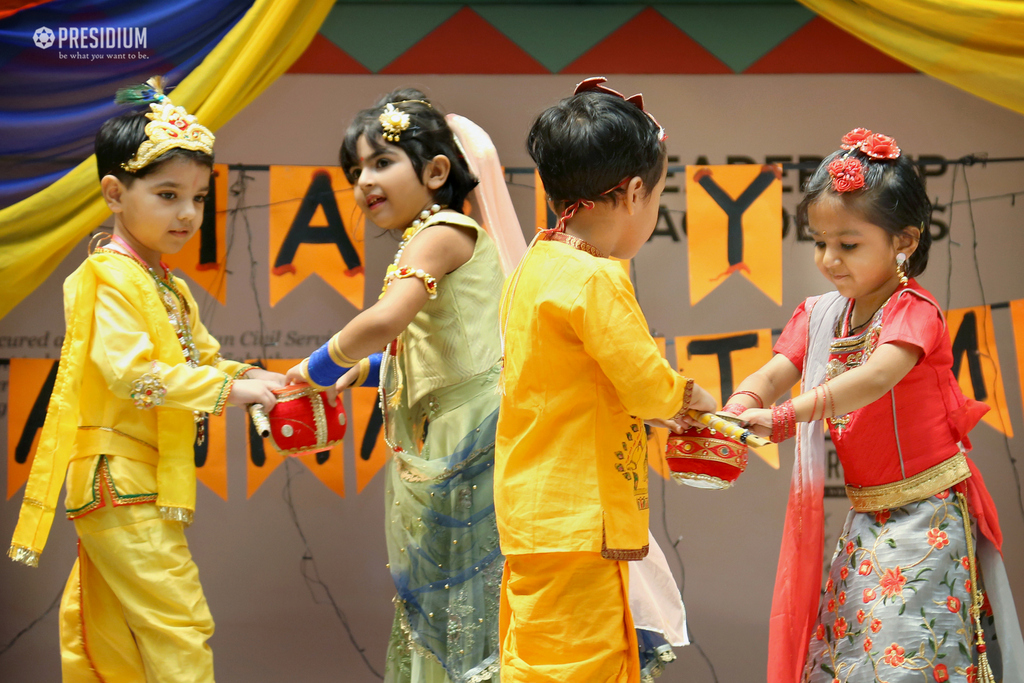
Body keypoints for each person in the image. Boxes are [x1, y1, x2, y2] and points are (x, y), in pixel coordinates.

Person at [7, 77, 283, 682]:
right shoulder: (107, 275)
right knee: (178, 624)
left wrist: (273, 382)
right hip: (119, 477)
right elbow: (136, 379)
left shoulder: (168, 286)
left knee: (115, 641)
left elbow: (204, 363)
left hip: (134, 480)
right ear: (114, 192)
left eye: (198, 198)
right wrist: (236, 390)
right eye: (166, 194)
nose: (188, 213)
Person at [723, 129, 1024, 682]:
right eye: (819, 242)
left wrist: (786, 417)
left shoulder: (914, 310)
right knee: (850, 660)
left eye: (849, 244)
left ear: (903, 241)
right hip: (868, 519)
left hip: (928, 515)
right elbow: (775, 370)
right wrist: (740, 405)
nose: (829, 259)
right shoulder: (821, 315)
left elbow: (877, 376)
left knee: (905, 656)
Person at [494, 78, 716, 683]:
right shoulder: (595, 277)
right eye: (658, 198)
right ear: (635, 190)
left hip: (534, 516)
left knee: (535, 664)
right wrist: (692, 398)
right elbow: (646, 387)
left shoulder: (533, 266)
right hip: (579, 519)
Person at [285, 89, 505, 683]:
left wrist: (317, 369)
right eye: (355, 170)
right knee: (452, 599)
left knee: (472, 602)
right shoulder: (428, 237)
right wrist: (364, 371)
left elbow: (385, 321)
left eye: (381, 162)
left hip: (474, 433)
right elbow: (429, 353)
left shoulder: (445, 230)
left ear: (437, 172)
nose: (363, 182)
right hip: (452, 429)